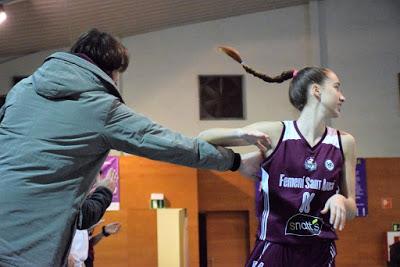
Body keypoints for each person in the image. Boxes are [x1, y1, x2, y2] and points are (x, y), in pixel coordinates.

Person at [0, 31, 266, 267]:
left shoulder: (21, 90)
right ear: (112, 72)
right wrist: (235, 161)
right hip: (27, 250)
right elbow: (170, 144)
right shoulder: (101, 107)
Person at [198, 46, 357, 267]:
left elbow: (352, 209)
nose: (343, 97)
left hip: (318, 251)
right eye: (337, 88)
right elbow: (203, 137)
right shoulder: (276, 133)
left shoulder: (344, 142)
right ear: (317, 91)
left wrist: (341, 200)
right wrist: (239, 133)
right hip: (274, 246)